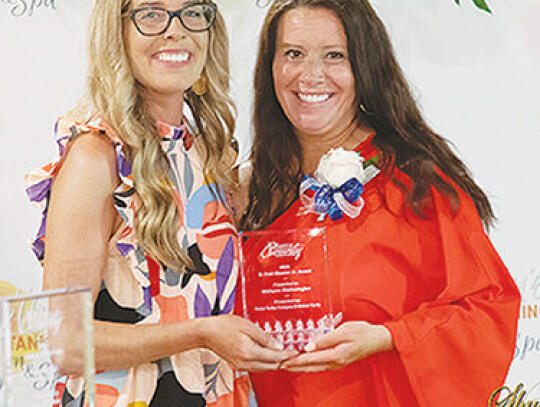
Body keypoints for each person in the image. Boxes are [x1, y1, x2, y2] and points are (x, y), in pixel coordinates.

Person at [237, 0, 521, 405]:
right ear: (270, 67)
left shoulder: (416, 184)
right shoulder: (246, 189)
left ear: (365, 67)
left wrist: (387, 337)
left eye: (335, 55)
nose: (310, 75)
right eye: (293, 54)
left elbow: (488, 308)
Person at [25, 1, 294, 406]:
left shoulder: (206, 155)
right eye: (151, 14)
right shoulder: (97, 158)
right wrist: (200, 334)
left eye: (192, 12)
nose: (175, 30)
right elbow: (65, 342)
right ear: (118, 33)